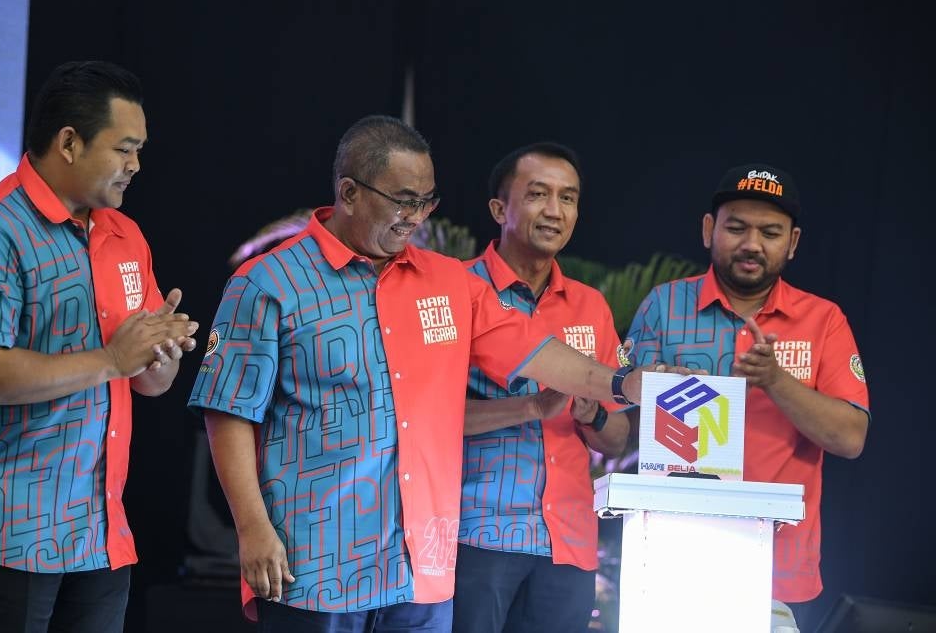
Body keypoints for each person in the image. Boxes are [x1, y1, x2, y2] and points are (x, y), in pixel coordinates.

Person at [187, 115, 693, 633]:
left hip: (420, 568)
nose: (415, 217)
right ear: (349, 192)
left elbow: (534, 350)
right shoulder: (269, 282)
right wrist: (251, 528)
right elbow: (228, 411)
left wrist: (619, 383)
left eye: (427, 202)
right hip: (313, 561)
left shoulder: (449, 282)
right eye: (404, 200)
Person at [0, 60, 199, 633]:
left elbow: (147, 383)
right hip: (3, 532)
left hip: (100, 533)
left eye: (140, 149)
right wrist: (110, 358)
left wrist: (160, 355)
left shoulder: (125, 234)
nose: (137, 165)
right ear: (70, 142)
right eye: (125, 148)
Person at [623, 163, 870, 629]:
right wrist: (639, 391)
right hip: (669, 564)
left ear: (792, 243)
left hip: (773, 570)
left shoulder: (824, 320)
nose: (752, 243)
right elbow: (619, 432)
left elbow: (851, 438)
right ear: (708, 230)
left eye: (770, 232)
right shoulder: (663, 305)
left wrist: (776, 380)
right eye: (736, 227)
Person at [451, 142, 630, 633]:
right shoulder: (456, 291)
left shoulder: (590, 306)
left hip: (568, 541)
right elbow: (424, 417)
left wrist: (592, 413)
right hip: (476, 534)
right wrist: (528, 406)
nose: (555, 211)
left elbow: (615, 438)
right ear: (499, 209)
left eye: (568, 198)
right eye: (537, 195)